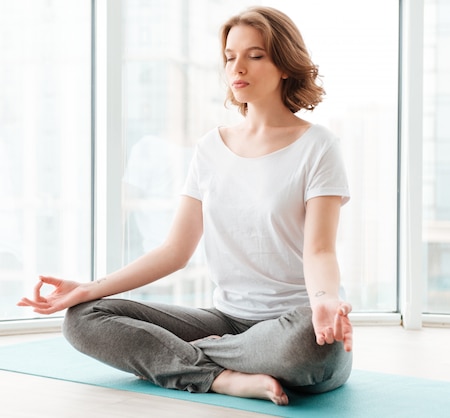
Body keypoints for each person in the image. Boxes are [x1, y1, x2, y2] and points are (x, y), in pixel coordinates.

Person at [18, 6, 353, 406]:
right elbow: (174, 252)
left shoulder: (318, 146)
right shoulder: (211, 148)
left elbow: (319, 250)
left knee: (312, 348)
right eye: (230, 57)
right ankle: (221, 378)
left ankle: (192, 361)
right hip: (228, 321)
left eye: (255, 55)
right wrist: (88, 288)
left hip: (294, 326)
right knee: (84, 319)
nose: (238, 68)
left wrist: (324, 302)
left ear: (285, 64)